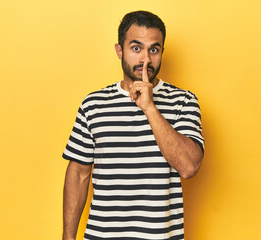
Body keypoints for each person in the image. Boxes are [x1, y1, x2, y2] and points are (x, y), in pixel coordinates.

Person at [62, 10, 204, 240]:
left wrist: (150, 108)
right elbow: (78, 174)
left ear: (161, 53)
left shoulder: (184, 101)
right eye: (136, 48)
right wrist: (68, 238)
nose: (145, 59)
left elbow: (188, 167)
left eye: (154, 50)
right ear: (120, 50)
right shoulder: (93, 104)